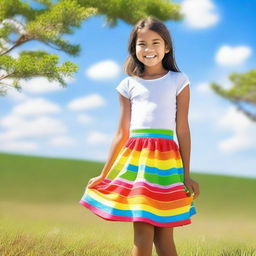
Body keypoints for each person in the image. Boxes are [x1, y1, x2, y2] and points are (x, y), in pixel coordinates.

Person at [79, 16, 200, 256]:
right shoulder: (128, 85)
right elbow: (121, 133)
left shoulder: (179, 80)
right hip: (137, 162)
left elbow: (183, 129)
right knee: (143, 231)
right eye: (142, 43)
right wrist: (104, 174)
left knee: (164, 235)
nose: (149, 49)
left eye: (156, 43)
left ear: (166, 47)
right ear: (134, 49)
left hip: (166, 163)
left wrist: (186, 174)